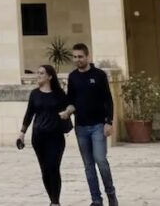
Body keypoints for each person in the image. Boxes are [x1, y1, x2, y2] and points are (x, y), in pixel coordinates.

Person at [62, 42, 118, 206]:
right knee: (88, 165)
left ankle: (111, 194)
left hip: (98, 125)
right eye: (75, 57)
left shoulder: (99, 75)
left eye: (80, 56)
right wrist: (68, 111)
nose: (77, 59)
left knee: (100, 160)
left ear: (87, 57)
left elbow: (108, 100)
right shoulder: (73, 77)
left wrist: (109, 121)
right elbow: (71, 100)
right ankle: (96, 199)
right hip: (81, 127)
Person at [18, 64, 71, 206]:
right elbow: (29, 114)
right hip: (38, 137)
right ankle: (52, 200)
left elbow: (69, 107)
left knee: (54, 167)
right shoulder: (34, 94)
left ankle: (55, 202)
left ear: (50, 76)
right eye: (38, 72)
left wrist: (66, 113)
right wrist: (22, 133)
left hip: (55, 137)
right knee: (45, 169)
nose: (38, 75)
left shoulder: (59, 94)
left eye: (41, 73)